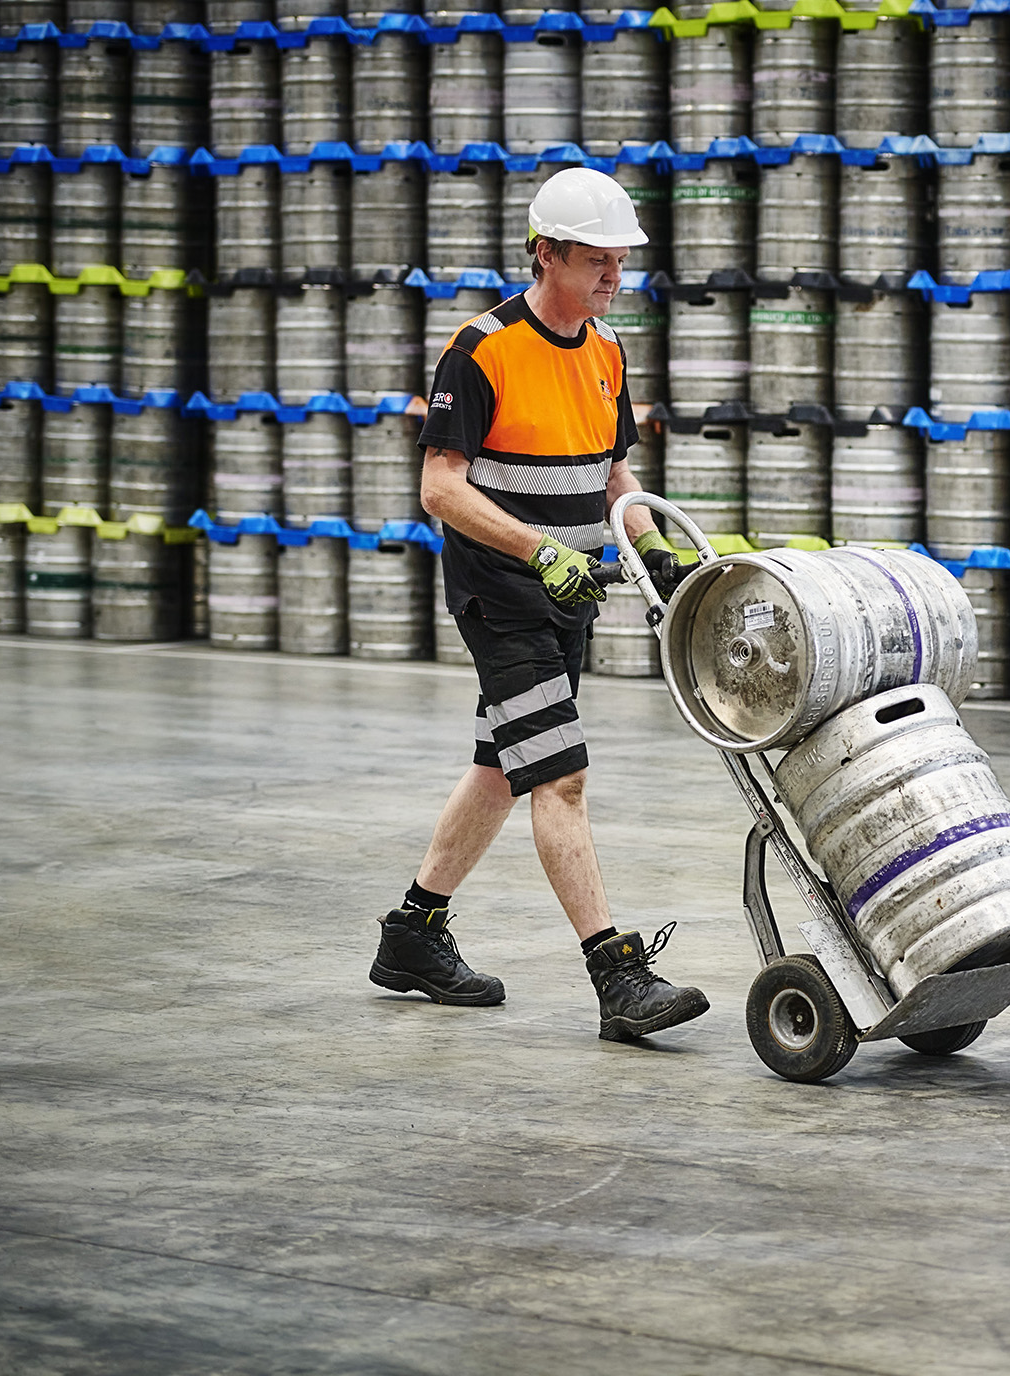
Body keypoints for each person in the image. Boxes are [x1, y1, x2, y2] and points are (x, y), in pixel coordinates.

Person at [368, 167, 708, 1044]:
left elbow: (611, 474)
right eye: (595, 261)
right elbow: (441, 488)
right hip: (503, 594)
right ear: (545, 253)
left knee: (502, 761)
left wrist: (649, 541)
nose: (612, 278)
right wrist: (537, 549)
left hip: (572, 597)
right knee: (559, 775)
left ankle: (412, 933)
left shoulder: (605, 351)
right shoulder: (480, 351)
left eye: (619, 262)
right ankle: (617, 976)